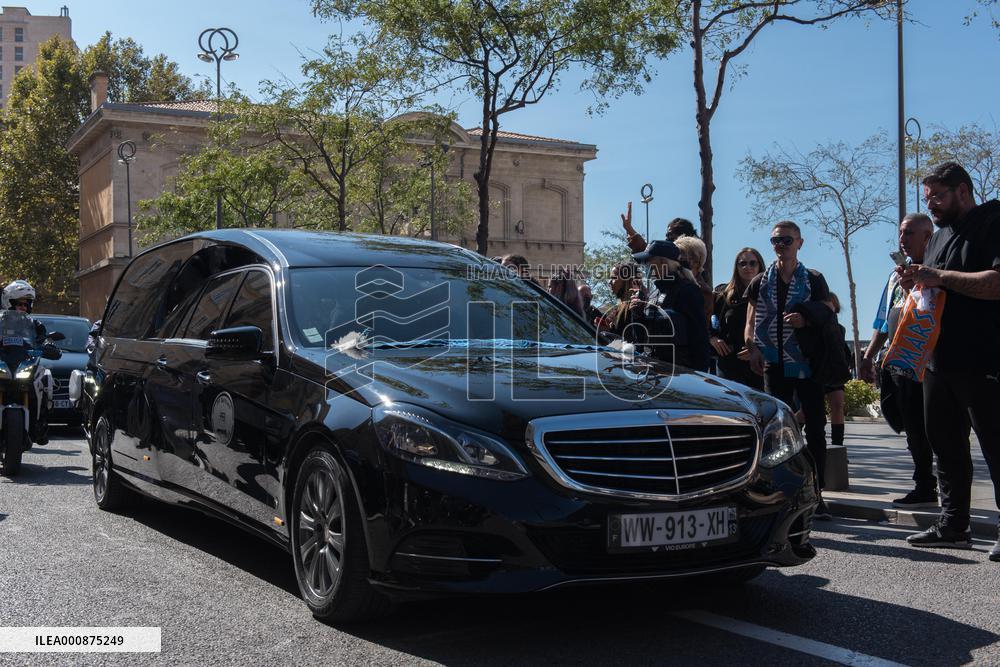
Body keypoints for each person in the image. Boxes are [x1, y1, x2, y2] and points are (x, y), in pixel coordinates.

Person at [897, 162, 1000, 561]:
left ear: (963, 190)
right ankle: (954, 525)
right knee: (945, 446)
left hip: (984, 358)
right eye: (928, 199)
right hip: (938, 361)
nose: (933, 206)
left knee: (995, 444)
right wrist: (917, 282)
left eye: (939, 197)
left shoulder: (992, 220)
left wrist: (937, 275)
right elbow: (934, 286)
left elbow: (994, 284)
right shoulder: (938, 238)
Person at [744, 221, 833, 518]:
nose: (781, 246)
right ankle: (782, 494)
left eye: (786, 240)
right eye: (775, 241)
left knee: (817, 430)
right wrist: (754, 348)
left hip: (807, 362)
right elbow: (751, 320)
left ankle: (818, 496)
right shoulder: (760, 281)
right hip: (773, 362)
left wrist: (804, 320)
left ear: (799, 243)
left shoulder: (814, 279)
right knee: (776, 431)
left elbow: (828, 314)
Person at [859, 213, 938, 509]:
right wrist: (869, 356)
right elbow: (882, 319)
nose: (902, 240)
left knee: (933, 427)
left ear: (927, 237)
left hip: (927, 364)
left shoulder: (936, 272)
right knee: (909, 424)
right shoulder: (895, 275)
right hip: (898, 362)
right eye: (901, 234)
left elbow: (928, 313)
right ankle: (923, 484)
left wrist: (912, 288)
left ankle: (948, 490)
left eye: (909, 234)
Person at [629, 240, 711, 371]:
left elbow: (699, 337)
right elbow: (641, 340)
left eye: (649, 260)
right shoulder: (653, 294)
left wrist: (700, 376)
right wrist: (638, 314)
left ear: (663, 262)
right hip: (652, 371)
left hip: (681, 375)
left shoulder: (687, 290)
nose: (646, 266)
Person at [1, 280, 59, 445]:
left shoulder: (34, 324)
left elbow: (43, 339)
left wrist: (49, 346)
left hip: (24, 364)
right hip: (3, 363)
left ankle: (40, 425)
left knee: (45, 378)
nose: (23, 307)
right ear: (9, 303)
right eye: (19, 304)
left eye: (26, 304)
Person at [711, 248, 765, 390]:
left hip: (759, 364)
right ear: (736, 267)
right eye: (743, 263)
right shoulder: (722, 294)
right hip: (728, 364)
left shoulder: (770, 294)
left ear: (760, 266)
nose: (748, 267)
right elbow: (708, 321)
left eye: (753, 263)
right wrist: (712, 337)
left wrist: (757, 350)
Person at [620, 201, 698, 254]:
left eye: (670, 235)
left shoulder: (688, 257)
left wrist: (630, 229)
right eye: (666, 235)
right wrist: (629, 229)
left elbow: (651, 251)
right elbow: (648, 251)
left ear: (684, 236)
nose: (666, 239)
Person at [596, 262, 643, 340]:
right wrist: (607, 329)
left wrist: (607, 333)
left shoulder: (635, 307)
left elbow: (629, 342)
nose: (609, 282)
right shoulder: (620, 307)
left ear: (628, 280)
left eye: (614, 278)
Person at [674, 235, 713, 320]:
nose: (675, 262)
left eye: (681, 258)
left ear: (696, 261)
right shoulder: (672, 284)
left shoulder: (701, 291)